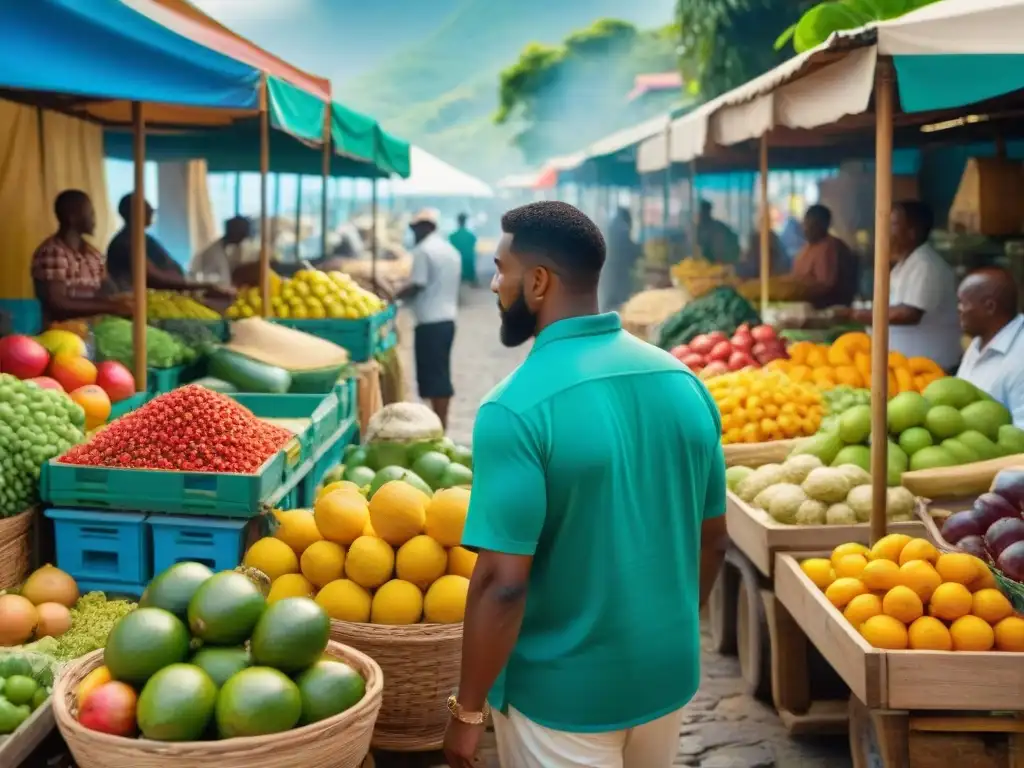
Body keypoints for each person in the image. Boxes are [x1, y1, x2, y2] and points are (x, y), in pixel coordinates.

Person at [443, 201, 729, 768]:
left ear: (540, 281)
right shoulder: (684, 383)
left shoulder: (515, 409)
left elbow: (502, 583)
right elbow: (713, 539)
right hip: (665, 677)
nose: (496, 284)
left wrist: (467, 712)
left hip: (561, 697)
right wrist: (661, 632)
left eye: (502, 269)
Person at [842, 201, 962, 371]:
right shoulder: (904, 265)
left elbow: (908, 314)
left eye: (892, 225)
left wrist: (858, 314)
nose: (884, 231)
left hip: (930, 368)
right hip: (906, 366)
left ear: (912, 232)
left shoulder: (926, 265)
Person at [396, 209, 461, 429]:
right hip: (447, 319)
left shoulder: (423, 251)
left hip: (430, 322)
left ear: (428, 227)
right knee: (440, 373)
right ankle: (439, 423)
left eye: (416, 228)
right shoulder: (449, 250)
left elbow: (417, 284)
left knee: (434, 378)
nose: (414, 232)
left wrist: (393, 295)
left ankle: (438, 426)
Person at [32, 190, 134, 325]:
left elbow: (108, 290)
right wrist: (113, 306)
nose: (94, 219)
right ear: (72, 218)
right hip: (64, 333)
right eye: (90, 213)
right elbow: (57, 303)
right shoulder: (52, 252)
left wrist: (123, 300)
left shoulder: (93, 254)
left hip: (96, 330)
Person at [107, 193, 232, 297]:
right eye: (146, 208)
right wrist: (200, 286)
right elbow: (153, 278)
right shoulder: (126, 242)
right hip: (139, 301)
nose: (151, 212)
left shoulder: (144, 239)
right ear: (133, 212)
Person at [957, 267, 1024, 425]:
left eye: (962, 303)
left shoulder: (1019, 358)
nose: (958, 309)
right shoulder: (979, 341)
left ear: (989, 307)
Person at [790, 204, 858, 308]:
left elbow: (825, 285)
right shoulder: (806, 248)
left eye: (813, 225)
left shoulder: (831, 247)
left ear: (824, 225)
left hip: (829, 307)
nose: (807, 229)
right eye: (806, 224)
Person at [598, 206, 642, 313]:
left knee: (608, 301)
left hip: (607, 272)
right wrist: (640, 249)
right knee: (619, 302)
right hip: (618, 273)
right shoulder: (622, 229)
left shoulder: (611, 227)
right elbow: (628, 250)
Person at [189, 216, 252, 285]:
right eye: (241, 236)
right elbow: (208, 281)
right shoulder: (212, 254)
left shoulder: (228, 251)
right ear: (234, 234)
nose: (242, 241)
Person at [695, 199, 740, 264]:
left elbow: (731, 241)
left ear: (708, 211)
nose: (700, 214)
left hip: (720, 264)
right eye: (700, 212)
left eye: (704, 211)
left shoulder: (718, 228)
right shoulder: (697, 229)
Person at [449, 213, 478, 285]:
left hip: (456, 264)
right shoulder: (471, 235)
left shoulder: (452, 236)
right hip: (468, 263)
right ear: (465, 221)